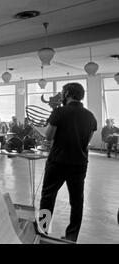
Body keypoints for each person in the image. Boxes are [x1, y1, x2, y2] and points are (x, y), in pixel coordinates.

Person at [39, 83, 97, 242]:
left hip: (58, 162)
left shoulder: (59, 112)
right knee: (77, 201)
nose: (61, 95)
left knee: (48, 196)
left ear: (68, 93)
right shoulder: (90, 116)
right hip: (79, 163)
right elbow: (87, 140)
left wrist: (40, 127)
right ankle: (72, 237)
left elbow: (49, 136)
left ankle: (43, 231)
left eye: (63, 92)